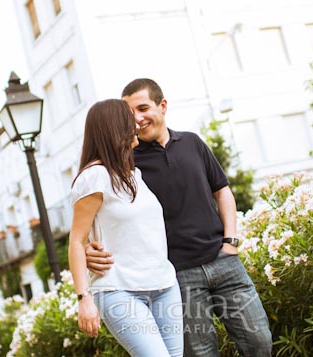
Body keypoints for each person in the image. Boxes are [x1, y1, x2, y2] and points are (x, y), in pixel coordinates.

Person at [86, 78, 273, 356]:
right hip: (177, 275)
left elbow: (222, 191)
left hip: (224, 263)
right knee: (201, 353)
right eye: (129, 114)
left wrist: (230, 242)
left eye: (143, 108)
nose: (137, 119)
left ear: (162, 106)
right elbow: (99, 209)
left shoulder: (192, 142)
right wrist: (89, 247)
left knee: (259, 341)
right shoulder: (128, 163)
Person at [69, 99, 183, 356]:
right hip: (119, 290)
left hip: (164, 284)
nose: (135, 123)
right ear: (114, 127)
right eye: (128, 118)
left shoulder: (134, 176)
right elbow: (76, 240)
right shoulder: (94, 176)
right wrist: (83, 298)